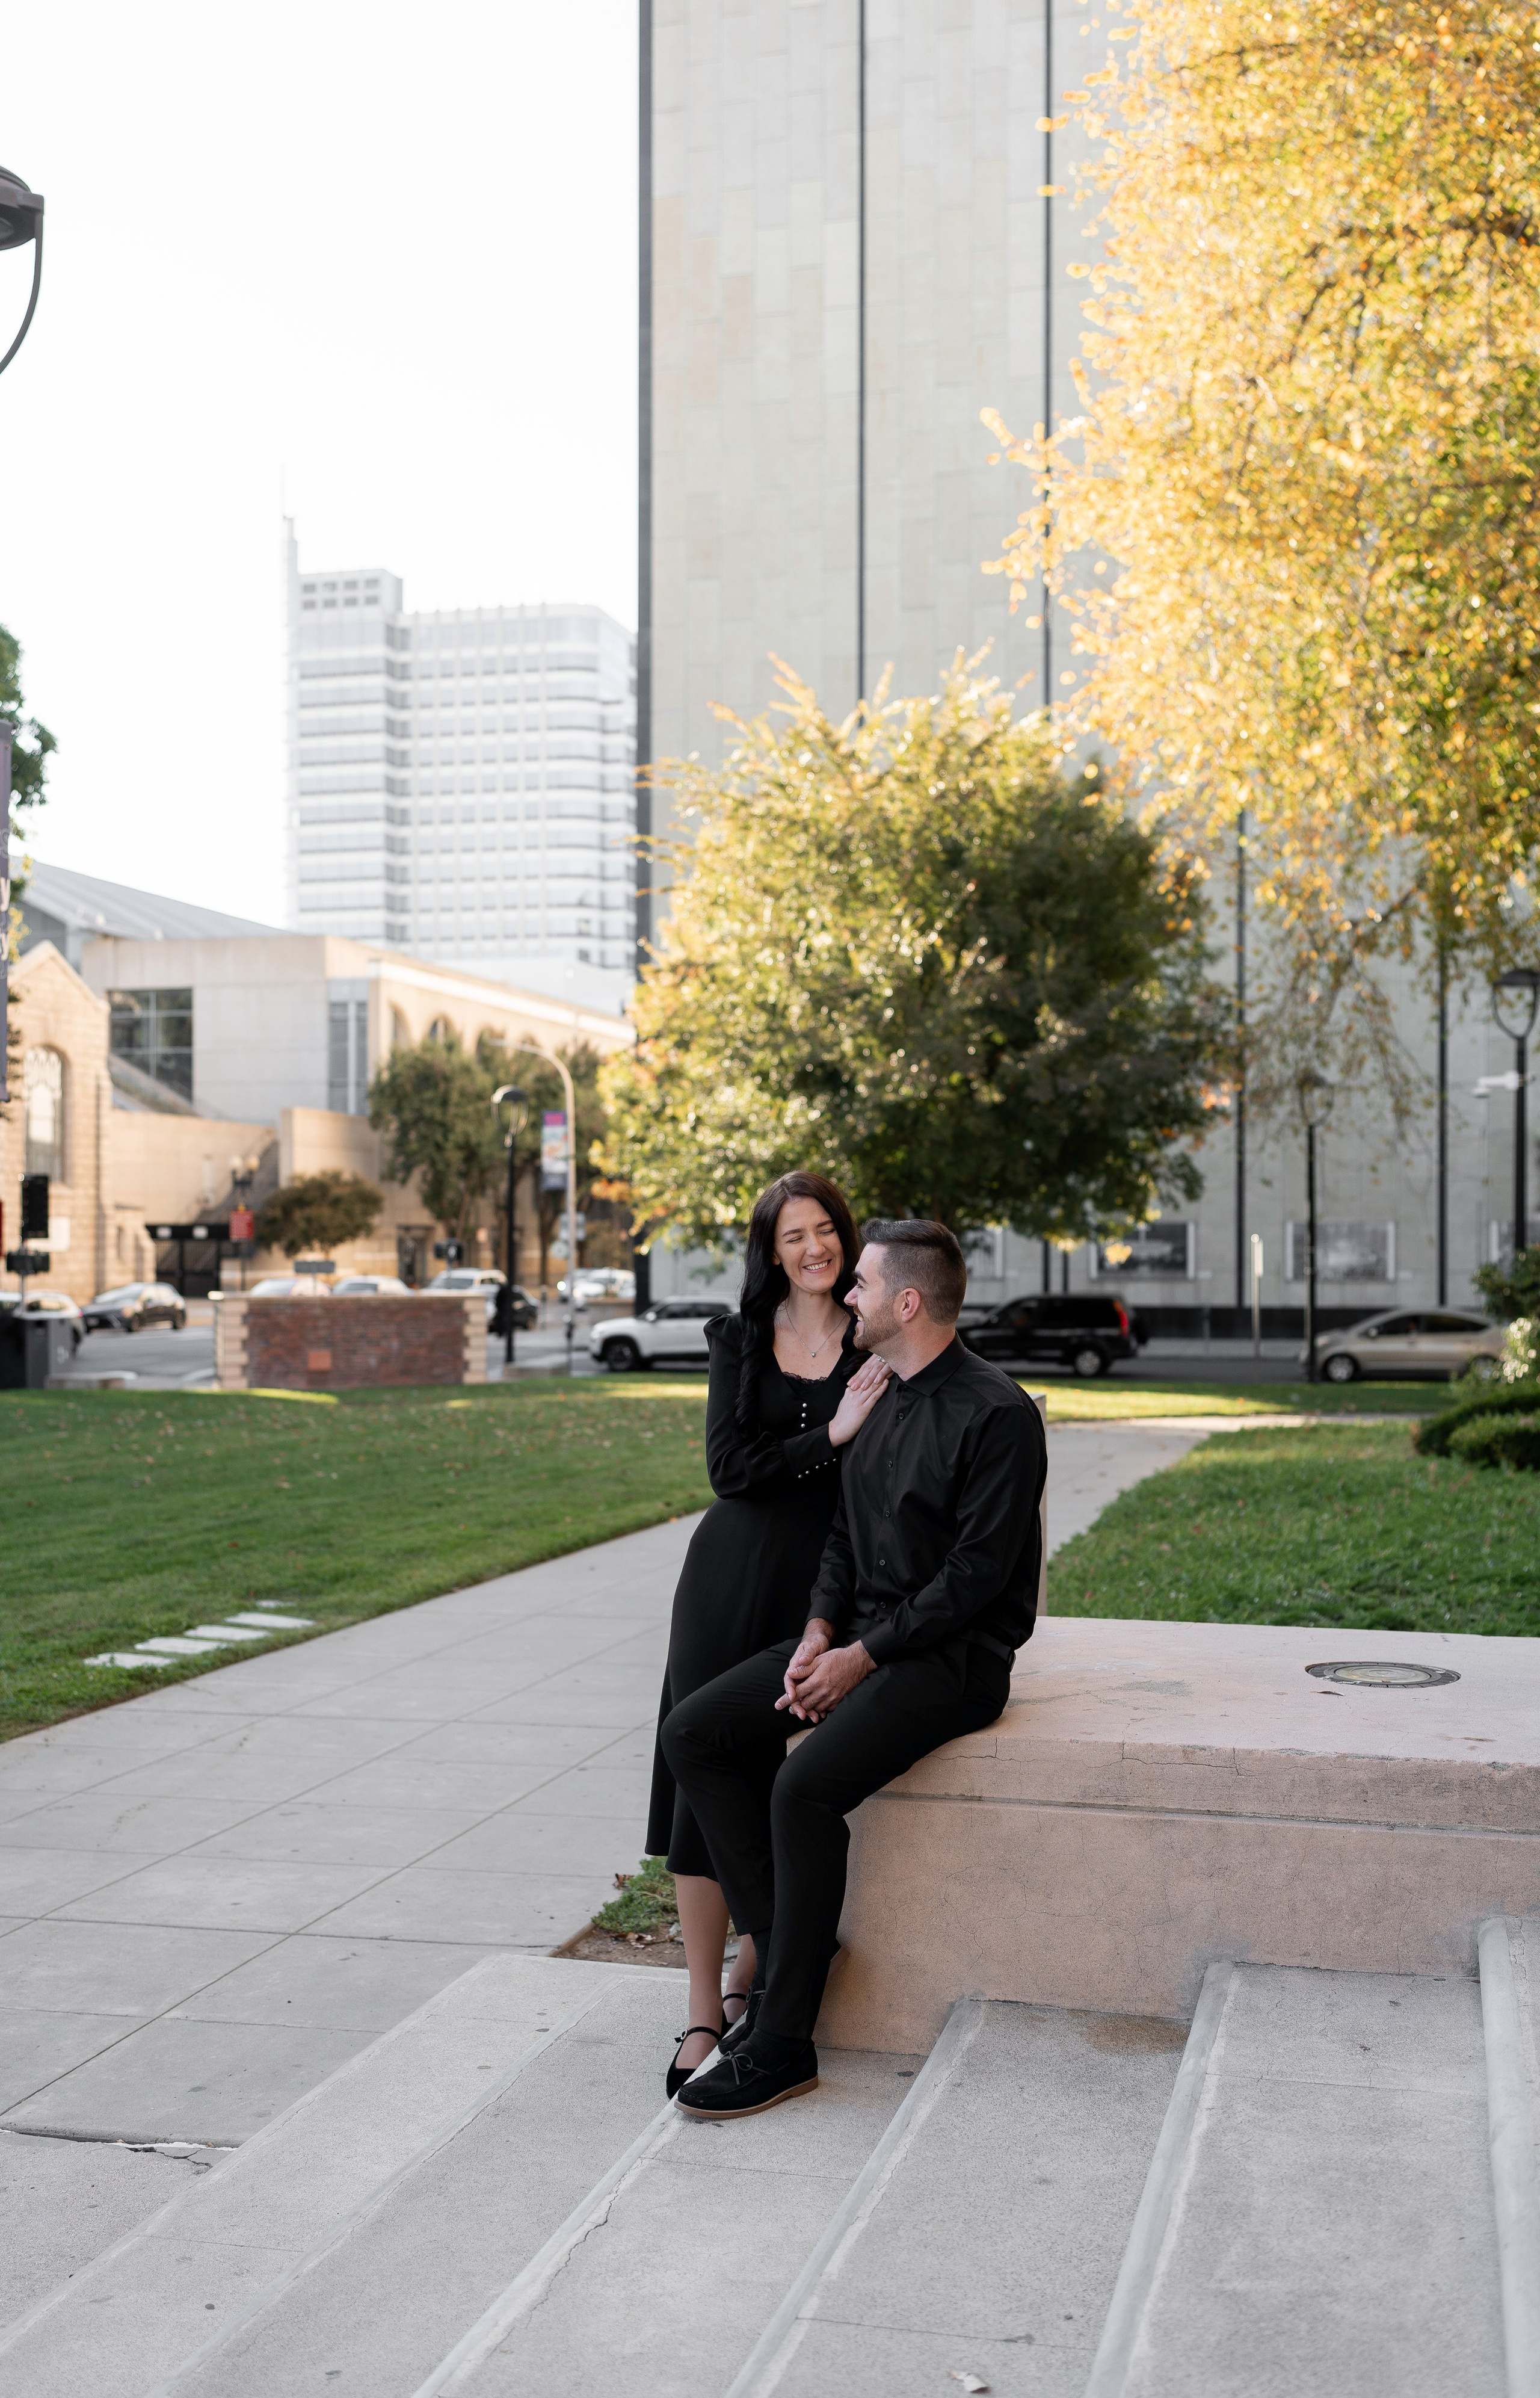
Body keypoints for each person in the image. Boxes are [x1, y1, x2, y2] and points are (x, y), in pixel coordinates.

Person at [661, 1218, 1046, 2120]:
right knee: (696, 1733)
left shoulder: (997, 1413)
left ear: (907, 1303)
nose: (849, 1295)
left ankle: (783, 2042)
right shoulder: (878, 1392)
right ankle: (791, 1943)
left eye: (863, 1284)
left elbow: (974, 1579)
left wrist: (861, 1657)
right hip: (858, 1637)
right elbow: (843, 1535)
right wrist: (817, 1630)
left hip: (951, 1659)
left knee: (800, 1790)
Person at [647, 1172, 893, 2097]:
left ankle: (760, 1967)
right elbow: (729, 1468)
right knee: (698, 1791)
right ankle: (704, 2007)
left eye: (825, 1229)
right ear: (772, 1250)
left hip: (820, 1584)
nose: (813, 1247)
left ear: (846, 1238)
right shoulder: (741, 1336)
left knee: (762, 1774)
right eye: (794, 1235)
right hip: (727, 1576)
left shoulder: (872, 1337)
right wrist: (832, 1432)